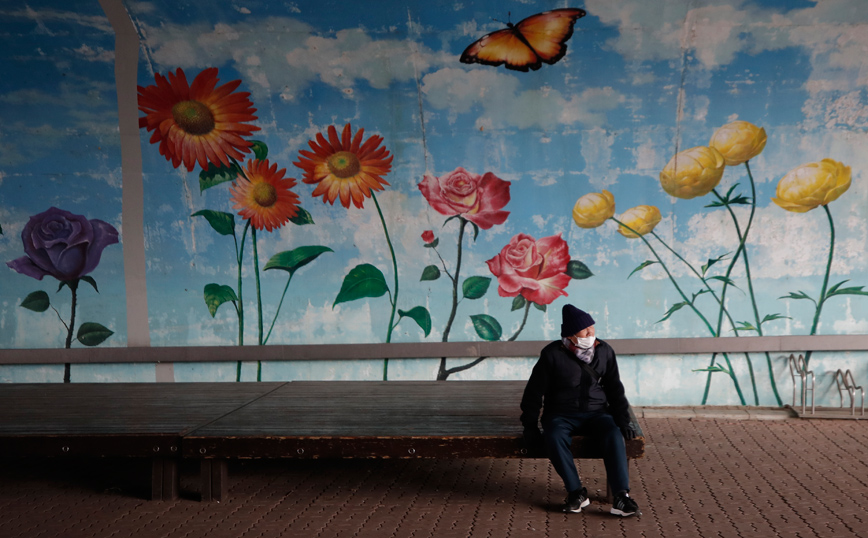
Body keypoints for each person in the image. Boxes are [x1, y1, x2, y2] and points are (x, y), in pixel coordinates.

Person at [520, 304, 640, 516]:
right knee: (554, 436)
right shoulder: (552, 354)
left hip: (597, 413)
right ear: (571, 335)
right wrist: (530, 426)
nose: (591, 334)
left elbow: (615, 389)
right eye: (585, 331)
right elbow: (533, 392)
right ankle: (576, 492)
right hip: (560, 415)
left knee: (614, 434)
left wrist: (623, 420)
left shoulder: (604, 351)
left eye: (592, 329)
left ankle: (621, 497)